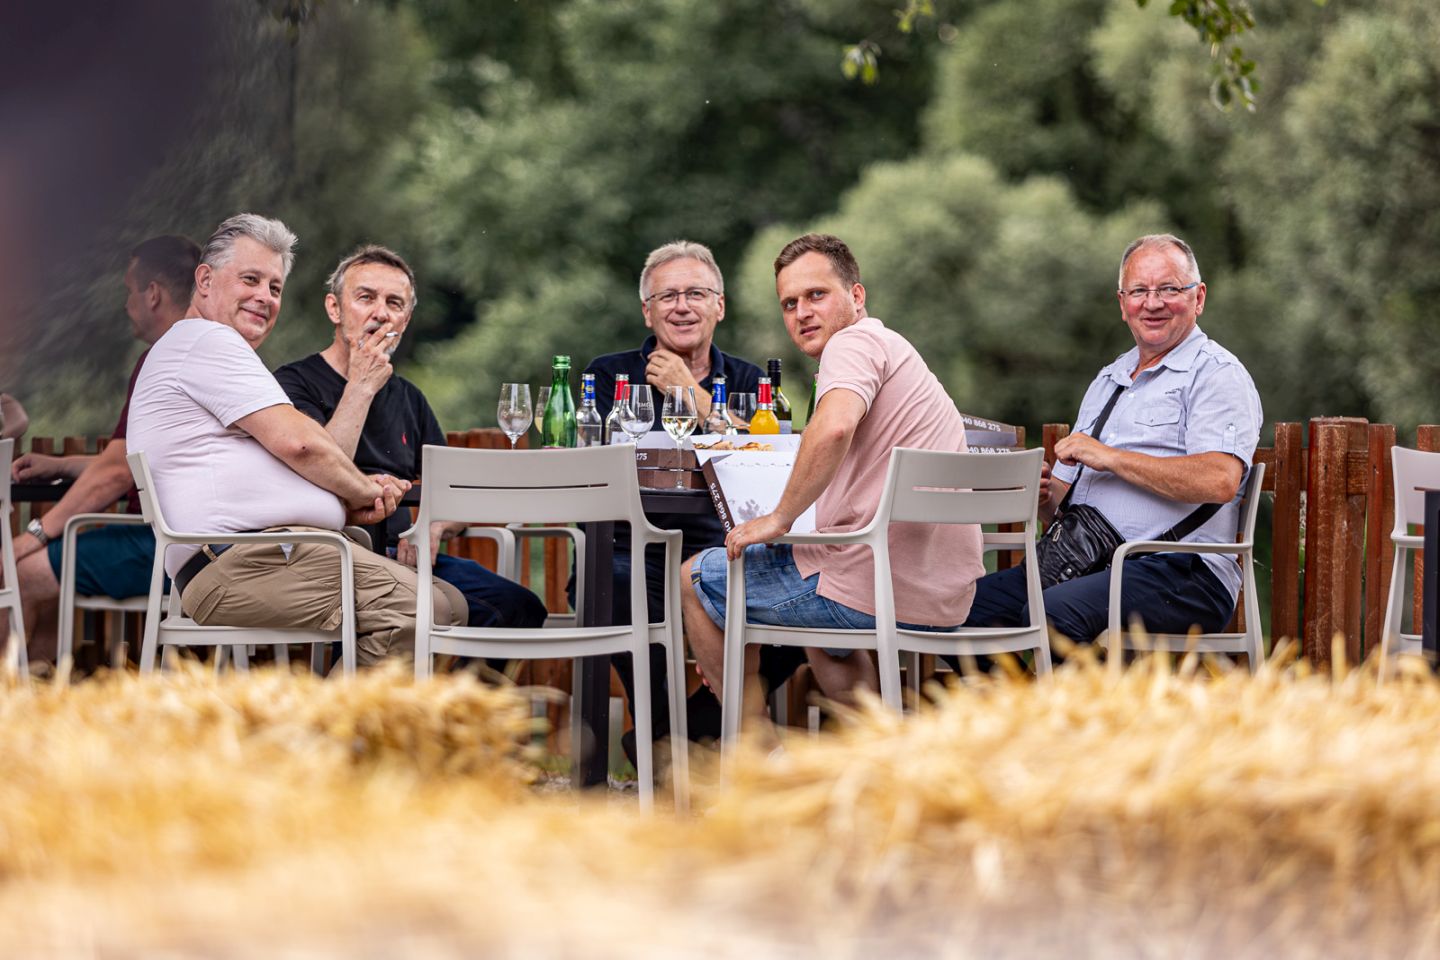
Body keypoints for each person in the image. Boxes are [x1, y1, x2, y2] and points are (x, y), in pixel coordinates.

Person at [127, 214, 466, 666]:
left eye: (274, 287)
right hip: (242, 562)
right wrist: (365, 489)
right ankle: (329, 734)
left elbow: (293, 460)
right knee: (430, 611)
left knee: (452, 606)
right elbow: (302, 445)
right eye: (250, 279)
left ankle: (330, 727)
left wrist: (347, 501)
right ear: (205, 280)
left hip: (273, 555)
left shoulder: (209, 350)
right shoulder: (206, 341)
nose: (264, 297)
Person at [682, 233, 987, 718]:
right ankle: (874, 765)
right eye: (789, 303)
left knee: (695, 576)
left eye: (816, 295)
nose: (801, 312)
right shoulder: (895, 348)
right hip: (943, 596)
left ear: (856, 296)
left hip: (876, 587)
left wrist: (780, 517)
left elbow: (835, 425)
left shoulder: (853, 343)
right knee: (826, 632)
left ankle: (758, 760)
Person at [959, 233, 1262, 651]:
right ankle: (1019, 711)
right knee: (957, 613)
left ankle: (1086, 717)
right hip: (1090, 564)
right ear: (1123, 304)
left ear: (1199, 297)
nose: (1152, 303)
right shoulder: (1109, 380)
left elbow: (1220, 481)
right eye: (1139, 291)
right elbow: (1060, 504)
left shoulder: (1217, 374)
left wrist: (1111, 458)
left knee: (1051, 613)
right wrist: (1042, 494)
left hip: (1184, 571)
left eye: (1169, 289)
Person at [583, 240, 800, 753]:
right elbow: (582, 458)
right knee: (610, 589)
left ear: (719, 306)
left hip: (727, 545)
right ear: (647, 311)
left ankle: (676, 734)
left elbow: (773, 459)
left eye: (696, 293)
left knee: (807, 599)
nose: (682, 306)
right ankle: (665, 729)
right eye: (668, 296)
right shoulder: (607, 374)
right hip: (627, 544)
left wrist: (692, 395)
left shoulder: (751, 380)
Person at [273, 244, 546, 631]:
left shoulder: (408, 397)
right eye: (365, 298)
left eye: (394, 303)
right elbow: (318, 466)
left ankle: (442, 692)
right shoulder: (294, 383)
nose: (380, 313)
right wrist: (361, 386)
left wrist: (432, 529)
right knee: (410, 615)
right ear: (334, 308)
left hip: (401, 557)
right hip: (331, 558)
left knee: (518, 607)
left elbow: (456, 492)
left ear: (406, 319)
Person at [10, 235, 199, 663]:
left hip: (166, 548)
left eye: (129, 290)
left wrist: (35, 535)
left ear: (153, 294)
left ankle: (18, 712)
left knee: (23, 570)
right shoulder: (198, 351)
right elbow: (138, 460)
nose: (126, 303)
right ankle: (46, 696)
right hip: (199, 546)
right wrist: (63, 464)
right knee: (56, 569)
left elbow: (119, 472)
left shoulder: (165, 359)